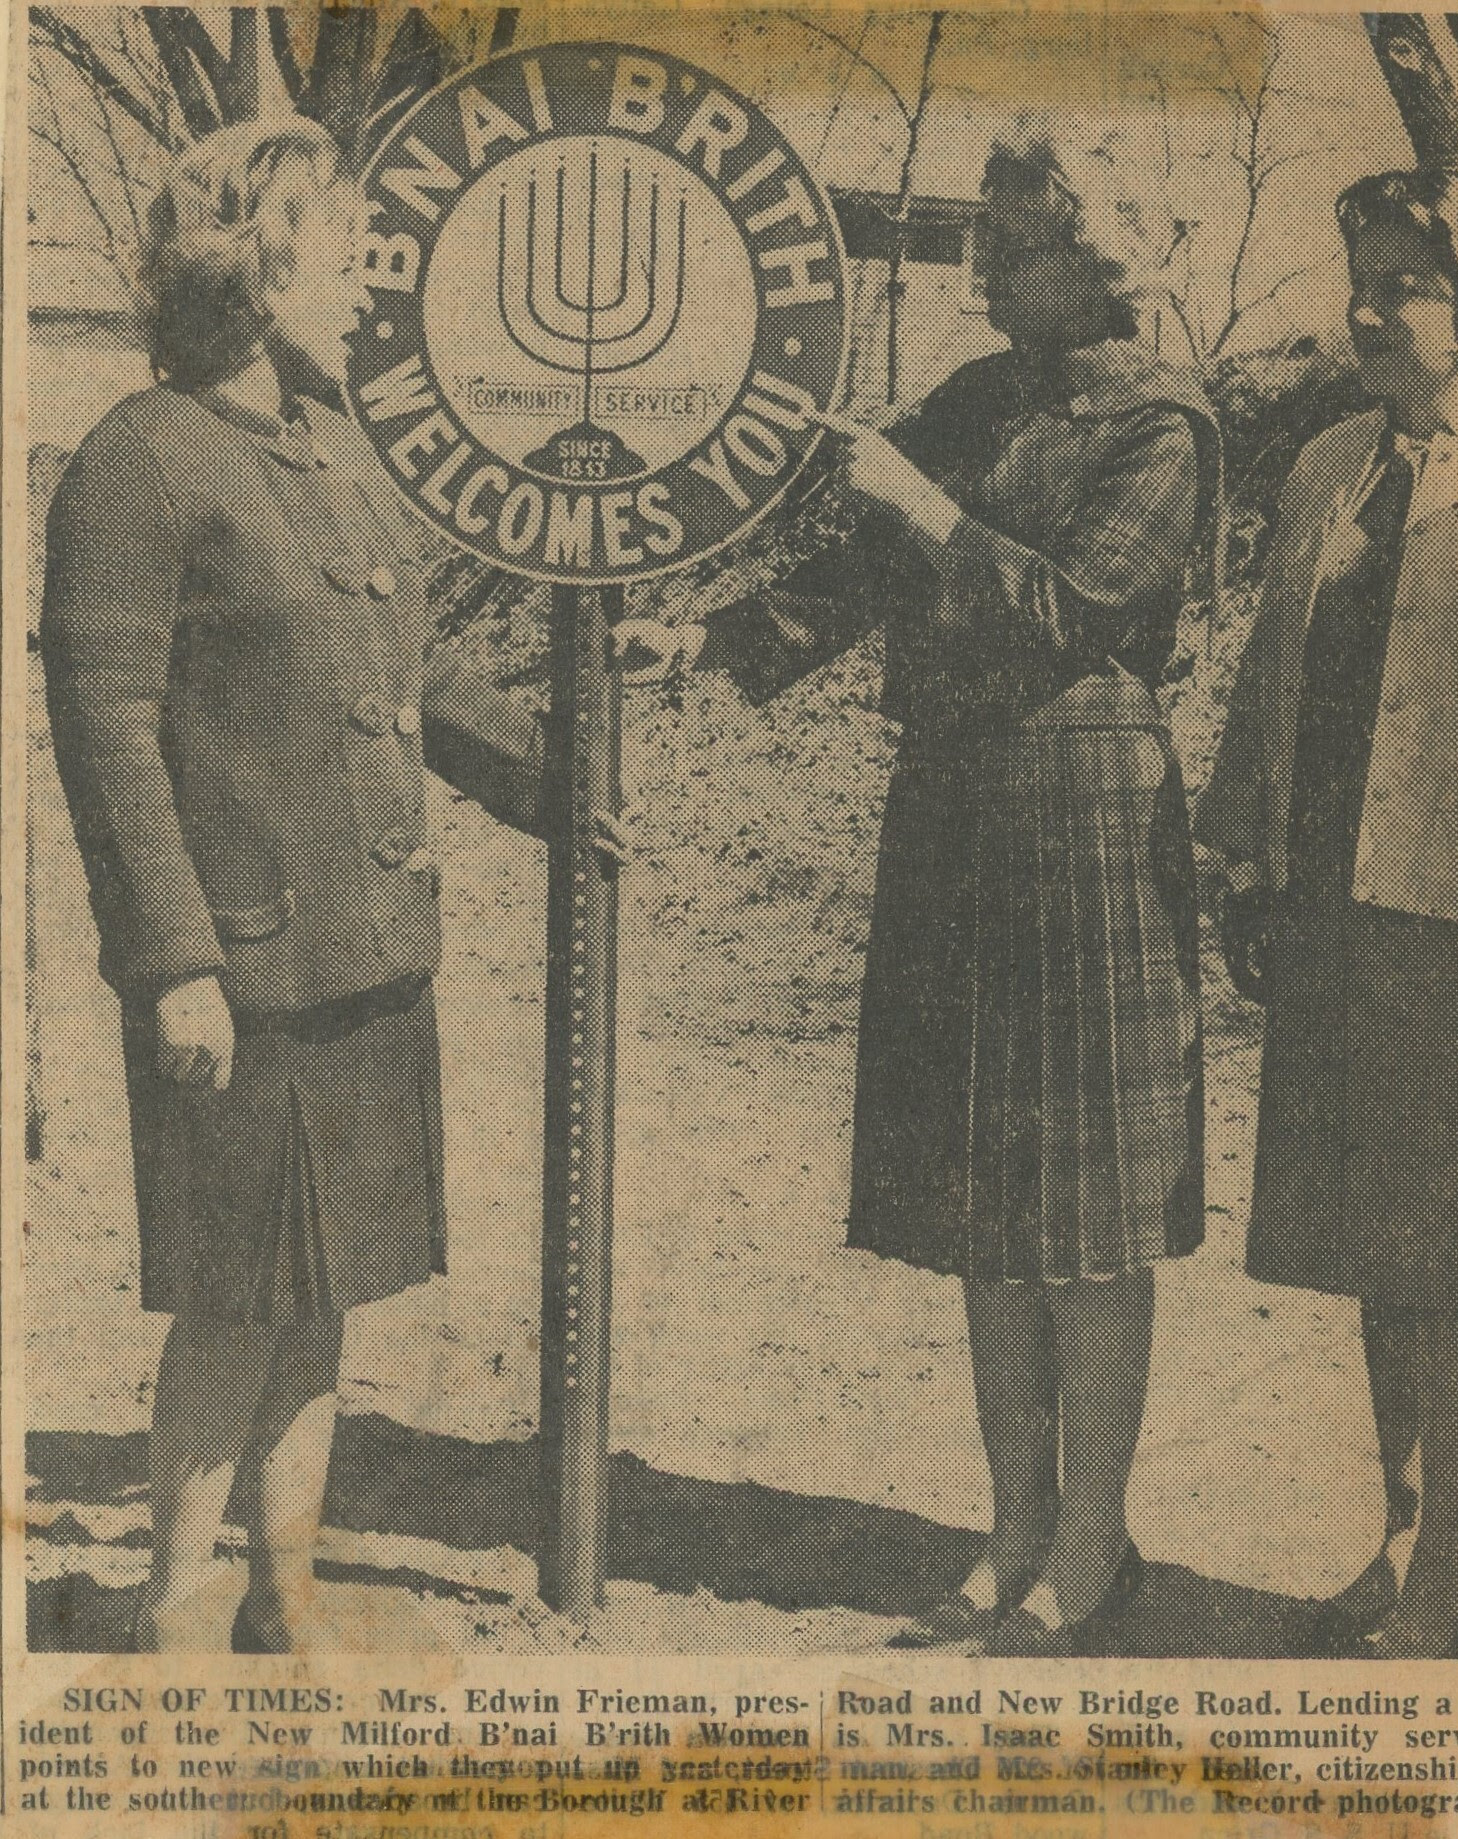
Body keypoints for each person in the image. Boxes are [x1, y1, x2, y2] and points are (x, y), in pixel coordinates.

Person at [616, 134, 1220, 1655]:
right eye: (985, 245)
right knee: (988, 1192)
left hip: (1084, 808)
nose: (985, 275)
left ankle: (1095, 1547)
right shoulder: (980, 399)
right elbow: (867, 567)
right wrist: (719, 644)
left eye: (1014, 249)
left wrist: (930, 509)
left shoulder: (1163, 423)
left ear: (1103, 256)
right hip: (956, 807)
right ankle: (1010, 1530)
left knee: (1087, 1208)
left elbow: (1075, 613)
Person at [39, 119, 629, 1653]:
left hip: (366, 957)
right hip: (237, 974)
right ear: (251, 267)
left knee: (325, 1296)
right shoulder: (139, 459)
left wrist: (566, 776)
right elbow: (103, 731)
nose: (375, 286)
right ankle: (179, 1597)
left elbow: (406, 681)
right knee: (235, 1297)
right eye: (349, 253)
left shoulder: (333, 451)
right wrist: (171, 960)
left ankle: (285, 1584)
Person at [1196, 166, 1458, 1658]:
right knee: (1372, 1247)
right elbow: (1269, 683)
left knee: (1451, 1256)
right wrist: (1244, 864)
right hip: (1334, 908)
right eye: (1362, 279)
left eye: (1409, 285)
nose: (1371, 310)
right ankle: (1393, 1537)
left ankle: (1451, 1570)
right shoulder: (1326, 469)